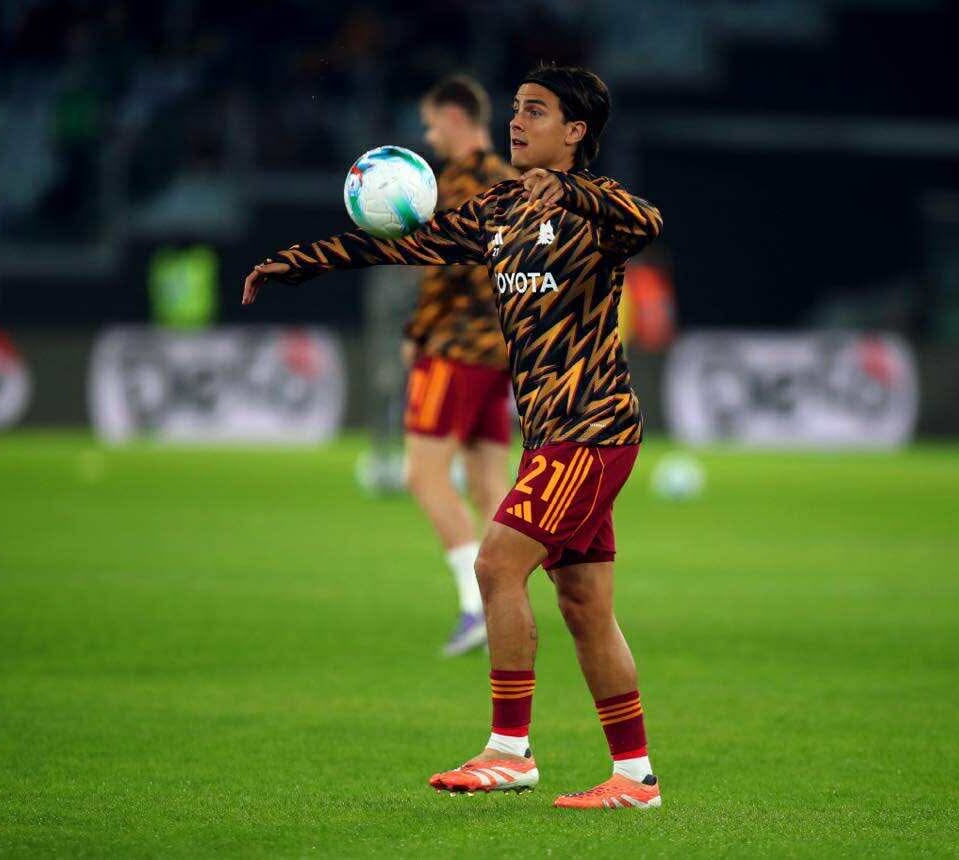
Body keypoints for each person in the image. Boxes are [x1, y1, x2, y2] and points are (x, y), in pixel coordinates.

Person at [242, 64, 664, 810]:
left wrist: (570, 191)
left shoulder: (597, 213)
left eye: (536, 111)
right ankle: (634, 778)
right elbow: (405, 244)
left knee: (497, 566)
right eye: (516, 108)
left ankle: (509, 751)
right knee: (583, 604)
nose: (517, 121)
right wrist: (298, 264)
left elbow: (647, 221)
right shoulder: (499, 207)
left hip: (590, 428)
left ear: (575, 131)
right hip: (552, 435)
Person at [405, 76, 517, 657]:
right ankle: (509, 601)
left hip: (455, 348)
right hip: (503, 351)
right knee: (488, 482)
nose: (430, 136)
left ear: (454, 116)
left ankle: (476, 607)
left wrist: (417, 332)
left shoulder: (453, 184)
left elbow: (443, 268)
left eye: (431, 124)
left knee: (424, 475)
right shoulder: (514, 182)